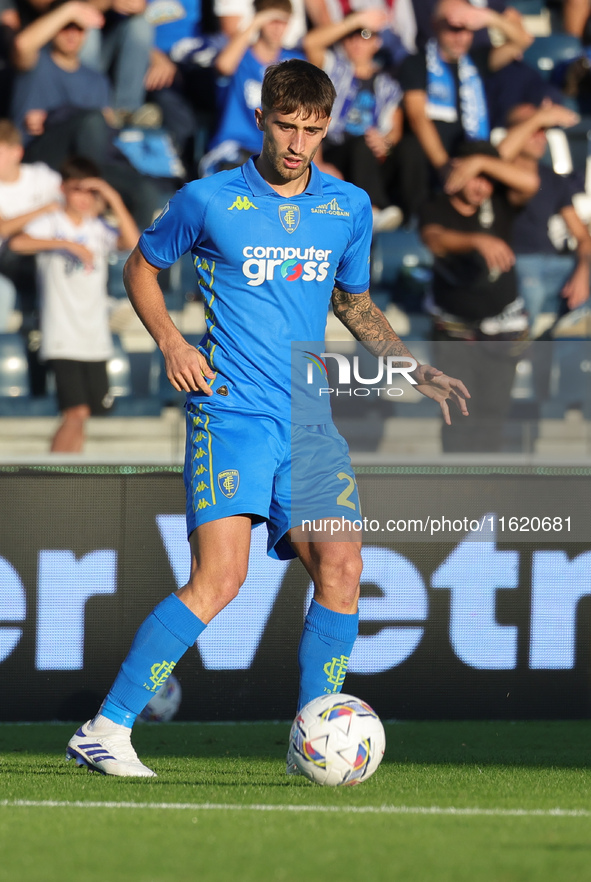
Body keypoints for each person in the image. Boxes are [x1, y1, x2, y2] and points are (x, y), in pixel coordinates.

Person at [65, 58, 469, 778]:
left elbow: (353, 302)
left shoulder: (346, 207)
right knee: (220, 579)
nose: (297, 142)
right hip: (233, 414)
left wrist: (411, 367)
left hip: (310, 425)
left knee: (342, 567)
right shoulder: (206, 199)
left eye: (313, 130)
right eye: (286, 125)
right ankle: (107, 727)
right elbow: (139, 266)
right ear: (260, 118)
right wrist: (169, 340)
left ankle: (309, 741)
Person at [8, 156, 139, 452]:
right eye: (78, 190)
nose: (84, 198)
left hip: (94, 336)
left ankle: (69, 473)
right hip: (62, 334)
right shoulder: (50, 222)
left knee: (86, 414)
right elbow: (17, 243)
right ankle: (52, 480)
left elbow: (132, 242)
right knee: (74, 412)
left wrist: (112, 196)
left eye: (91, 192)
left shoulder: (98, 228)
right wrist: (66, 244)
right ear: (64, 189)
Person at [419, 140, 538, 452]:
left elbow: (530, 182)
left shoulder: (500, 203)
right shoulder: (436, 207)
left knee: (494, 414)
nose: (482, 186)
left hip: (503, 331)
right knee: (456, 413)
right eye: (474, 175)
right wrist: (477, 241)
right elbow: (435, 239)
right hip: (453, 332)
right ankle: (458, 492)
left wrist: (482, 164)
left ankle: (488, 493)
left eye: (487, 177)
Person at [10, 0, 163, 229]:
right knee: (91, 121)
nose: (72, 34)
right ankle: (93, 198)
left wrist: (55, 115)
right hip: (39, 158)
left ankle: (136, 260)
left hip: (86, 165)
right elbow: (22, 44)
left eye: (79, 28)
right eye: (65, 27)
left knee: (148, 189)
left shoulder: (97, 80)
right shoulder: (36, 63)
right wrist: (71, 8)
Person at [397, 0, 532, 219]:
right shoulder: (416, 63)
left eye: (467, 29)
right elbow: (417, 117)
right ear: (435, 25)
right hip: (434, 160)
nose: (460, 36)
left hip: (472, 153)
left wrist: (487, 17)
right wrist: (444, 166)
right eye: (453, 28)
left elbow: (522, 40)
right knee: (410, 148)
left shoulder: (477, 60)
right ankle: (417, 217)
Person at [303, 8, 405, 231]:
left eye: (365, 35)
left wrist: (385, 142)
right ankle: (374, 210)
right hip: (334, 150)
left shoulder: (388, 85)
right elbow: (310, 43)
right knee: (360, 144)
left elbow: (395, 129)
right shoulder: (333, 68)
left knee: (408, 149)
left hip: (371, 156)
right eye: (351, 35)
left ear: (377, 43)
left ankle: (416, 221)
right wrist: (356, 20)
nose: (357, 42)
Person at [498, 101, 591, 334]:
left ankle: (566, 340)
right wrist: (539, 117)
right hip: (515, 262)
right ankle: (516, 351)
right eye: (533, 129)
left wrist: (583, 270)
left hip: (552, 263)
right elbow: (497, 155)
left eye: (544, 130)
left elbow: (582, 235)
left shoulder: (553, 179)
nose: (541, 136)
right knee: (532, 287)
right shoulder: (494, 172)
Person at [199, 0, 303, 176]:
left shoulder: (294, 64)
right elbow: (223, 65)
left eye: (283, 22)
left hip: (275, 152)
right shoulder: (239, 55)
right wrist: (255, 22)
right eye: (272, 21)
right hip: (233, 149)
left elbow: (308, 113)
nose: (278, 29)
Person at [0, 118, 62, 328]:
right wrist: (44, 209)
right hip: (9, 262)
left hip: (47, 252)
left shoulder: (40, 175)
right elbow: (3, 229)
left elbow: (72, 207)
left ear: (16, 152)